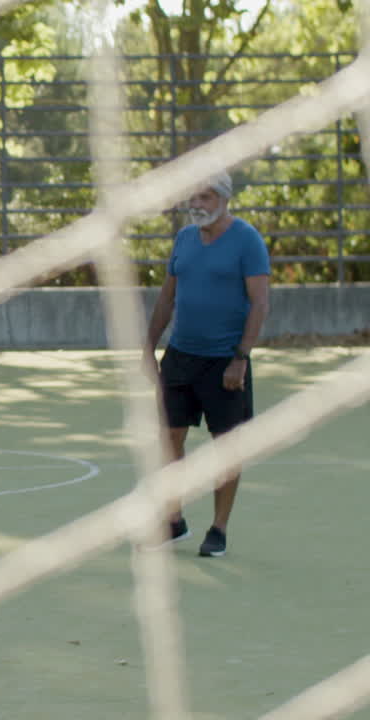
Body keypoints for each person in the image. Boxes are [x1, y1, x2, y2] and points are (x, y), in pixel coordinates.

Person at [144, 171, 270, 558]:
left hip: (224, 362)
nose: (197, 203)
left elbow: (260, 303)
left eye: (206, 196)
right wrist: (147, 346)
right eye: (192, 196)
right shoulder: (184, 239)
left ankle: (218, 529)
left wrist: (240, 358)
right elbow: (168, 298)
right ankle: (173, 521)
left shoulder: (247, 240)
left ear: (224, 199)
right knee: (169, 440)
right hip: (180, 357)